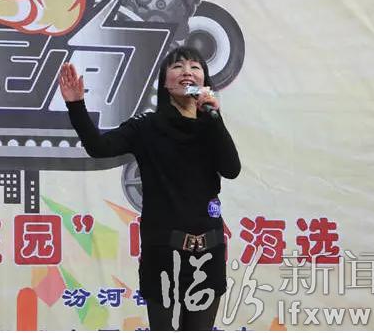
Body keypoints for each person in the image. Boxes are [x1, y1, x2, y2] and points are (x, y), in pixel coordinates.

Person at [59, 46, 241, 330]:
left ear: (204, 81)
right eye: (178, 67)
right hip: (163, 252)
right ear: (165, 82)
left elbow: (231, 169)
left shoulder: (211, 126)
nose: (187, 72)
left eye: (195, 67)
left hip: (208, 251)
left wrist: (214, 118)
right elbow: (99, 147)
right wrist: (76, 105)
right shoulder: (146, 127)